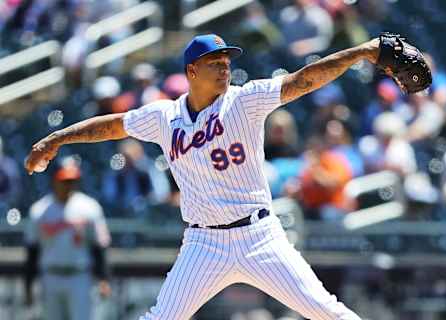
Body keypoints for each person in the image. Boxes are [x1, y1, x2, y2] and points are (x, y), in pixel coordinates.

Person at [26, 33, 381, 319]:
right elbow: (113, 126)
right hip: (203, 244)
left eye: (227, 62)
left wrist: (361, 53)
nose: (225, 69)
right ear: (192, 71)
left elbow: (303, 80)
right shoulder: (164, 117)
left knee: (325, 311)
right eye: (215, 63)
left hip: (259, 236)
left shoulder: (244, 101)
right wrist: (57, 138)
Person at [24, 158, 111, 320]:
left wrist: (104, 278)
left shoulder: (89, 207)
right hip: (50, 276)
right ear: (54, 180)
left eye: (72, 180)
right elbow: (32, 251)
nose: (69, 185)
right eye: (64, 180)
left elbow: (99, 246)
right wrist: (28, 286)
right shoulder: (39, 211)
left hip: (80, 276)